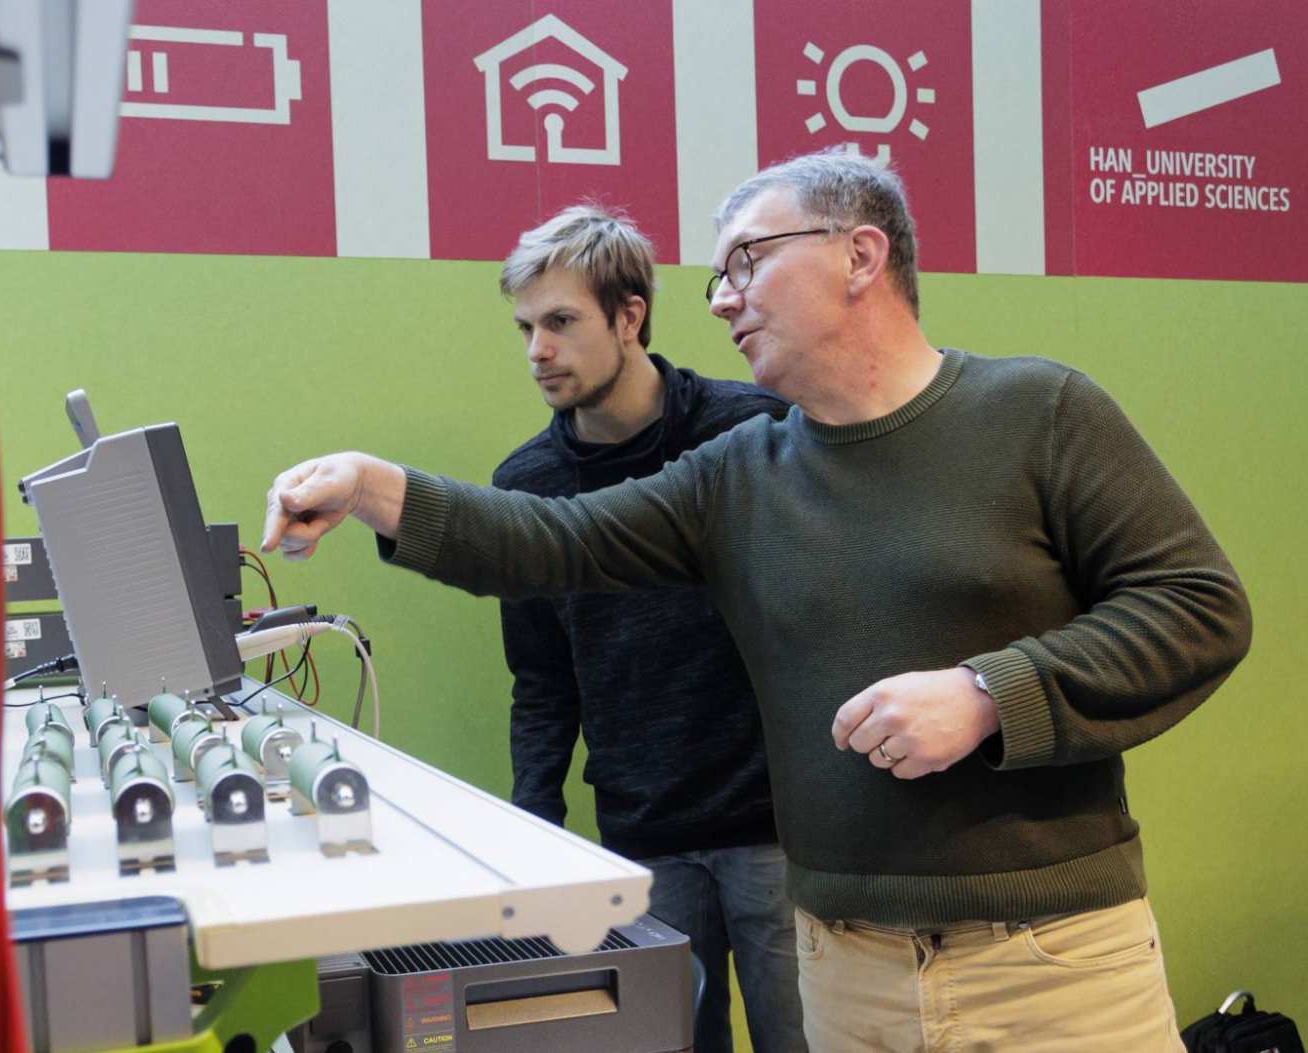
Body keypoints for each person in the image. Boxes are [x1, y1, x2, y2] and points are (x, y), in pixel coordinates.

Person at [260, 150, 1251, 1051]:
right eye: (718, 275)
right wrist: (370, 484)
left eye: (745, 262)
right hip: (841, 966)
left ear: (859, 256)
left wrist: (991, 694)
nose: (723, 299)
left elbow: (1195, 605)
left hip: (1049, 961)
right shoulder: (735, 472)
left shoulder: (1037, 411)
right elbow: (552, 540)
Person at [491, 204, 801, 1052]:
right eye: (525, 327)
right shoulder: (528, 484)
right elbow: (543, 682)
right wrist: (536, 832)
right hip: (641, 838)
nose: (537, 351)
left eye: (559, 322)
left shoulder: (756, 429)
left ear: (629, 317)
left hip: (781, 830)